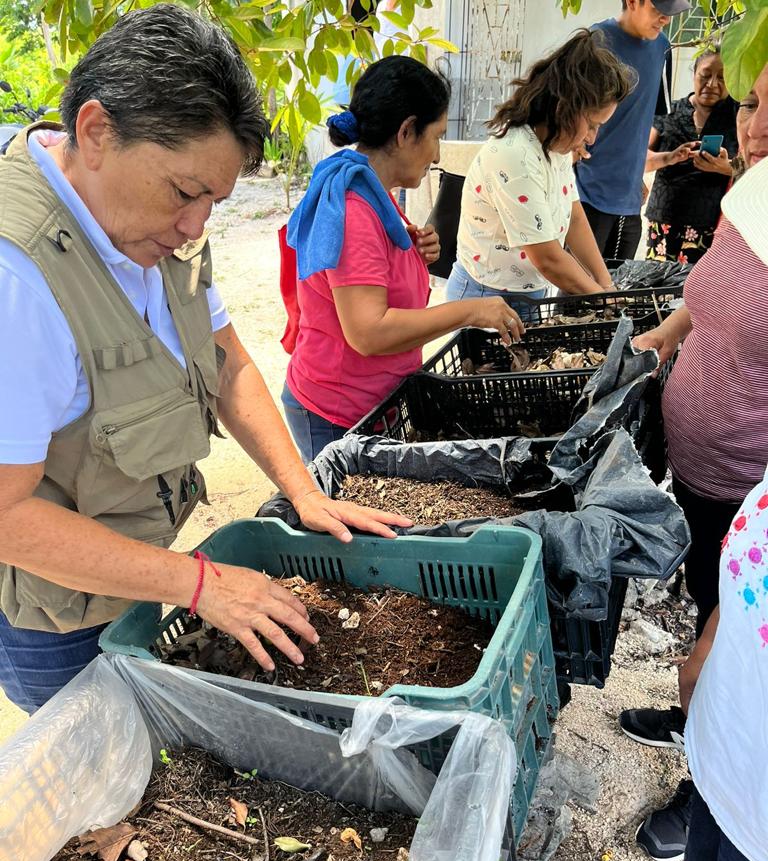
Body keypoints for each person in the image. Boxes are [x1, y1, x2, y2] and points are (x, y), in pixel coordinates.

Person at [0, 5, 412, 715]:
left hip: (138, 564)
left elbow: (226, 362)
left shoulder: (149, 227)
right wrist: (200, 585)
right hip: (56, 616)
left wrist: (302, 489)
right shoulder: (19, 280)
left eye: (215, 202)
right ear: (96, 132)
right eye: (186, 193)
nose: (195, 225)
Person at [612, 154, 768, 861]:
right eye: (755, 102)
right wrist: (713, 643)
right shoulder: (753, 193)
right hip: (738, 709)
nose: (755, 127)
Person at [282, 56, 524, 464]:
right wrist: (468, 311)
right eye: (436, 137)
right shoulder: (356, 208)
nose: (436, 156)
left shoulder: (376, 193)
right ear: (406, 131)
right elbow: (368, 332)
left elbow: (372, 272)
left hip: (376, 401)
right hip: (338, 412)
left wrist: (413, 253)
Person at [445, 30, 631, 315]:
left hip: (528, 293)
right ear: (564, 108)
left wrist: (607, 285)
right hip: (485, 297)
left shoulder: (556, 147)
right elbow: (549, 259)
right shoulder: (515, 156)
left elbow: (575, 217)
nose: (592, 138)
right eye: (592, 124)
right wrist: (603, 299)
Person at [575, 0, 690, 261]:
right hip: (586, 192)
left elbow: (642, 120)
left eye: (670, 13)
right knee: (578, 292)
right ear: (632, 2)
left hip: (630, 199)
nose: (665, 19)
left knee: (616, 291)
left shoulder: (663, 48)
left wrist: (638, 171)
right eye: (658, 10)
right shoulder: (595, 42)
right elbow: (566, 109)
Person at [645, 48, 738, 265]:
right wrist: (669, 157)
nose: (712, 84)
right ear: (694, 74)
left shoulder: (738, 114)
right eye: (705, 75)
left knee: (695, 290)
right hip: (664, 217)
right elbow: (641, 158)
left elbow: (755, 166)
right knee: (657, 285)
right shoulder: (669, 110)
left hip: (711, 222)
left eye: (722, 77)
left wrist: (724, 167)